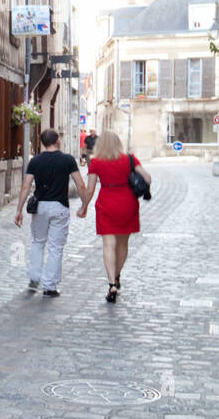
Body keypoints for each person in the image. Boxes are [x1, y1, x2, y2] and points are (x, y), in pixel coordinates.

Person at [13, 129, 87, 298]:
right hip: (59, 207)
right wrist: (84, 204)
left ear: (42, 143)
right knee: (55, 248)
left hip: (40, 207)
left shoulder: (36, 161)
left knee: (38, 242)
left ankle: (34, 277)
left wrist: (19, 210)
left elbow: (25, 186)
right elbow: (80, 184)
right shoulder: (67, 160)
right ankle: (49, 286)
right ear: (58, 141)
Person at [79, 131, 149, 303]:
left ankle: (111, 283)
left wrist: (84, 206)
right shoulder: (130, 159)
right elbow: (147, 178)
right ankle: (117, 276)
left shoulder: (96, 162)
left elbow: (90, 189)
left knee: (108, 245)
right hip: (128, 203)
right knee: (123, 244)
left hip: (106, 203)